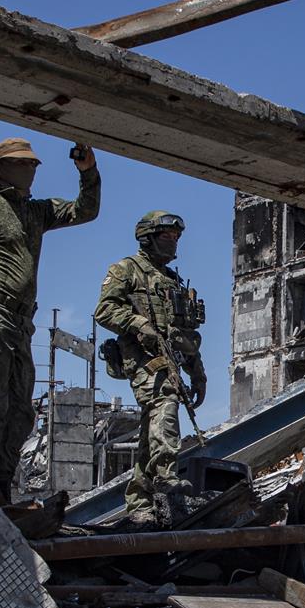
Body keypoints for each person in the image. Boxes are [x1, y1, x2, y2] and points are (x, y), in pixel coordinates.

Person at [0, 137, 99, 501]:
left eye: (32, 165)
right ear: (1, 169)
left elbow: (85, 210)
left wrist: (88, 172)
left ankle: (0, 485)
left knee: (21, 410)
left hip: (20, 322)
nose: (29, 170)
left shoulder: (36, 212)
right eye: (21, 164)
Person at [94, 211, 205, 525]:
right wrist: (137, 323)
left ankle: (140, 503)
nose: (174, 242)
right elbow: (104, 309)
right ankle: (166, 475)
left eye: (176, 237)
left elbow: (185, 334)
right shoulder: (126, 270)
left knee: (150, 430)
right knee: (164, 401)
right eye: (167, 236)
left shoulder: (172, 280)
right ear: (148, 237)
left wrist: (198, 373)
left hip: (172, 358)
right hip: (142, 356)